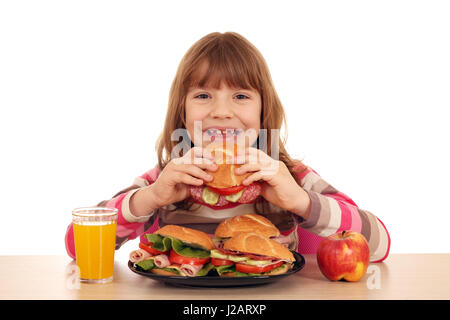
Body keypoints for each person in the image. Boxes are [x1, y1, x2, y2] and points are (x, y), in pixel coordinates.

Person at [65, 32, 390, 263]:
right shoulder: (167, 177)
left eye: (241, 96)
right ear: (183, 111)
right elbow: (76, 245)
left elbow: (378, 244)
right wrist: (150, 198)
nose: (221, 112)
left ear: (264, 112)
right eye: (203, 96)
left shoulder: (288, 175)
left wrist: (300, 201)